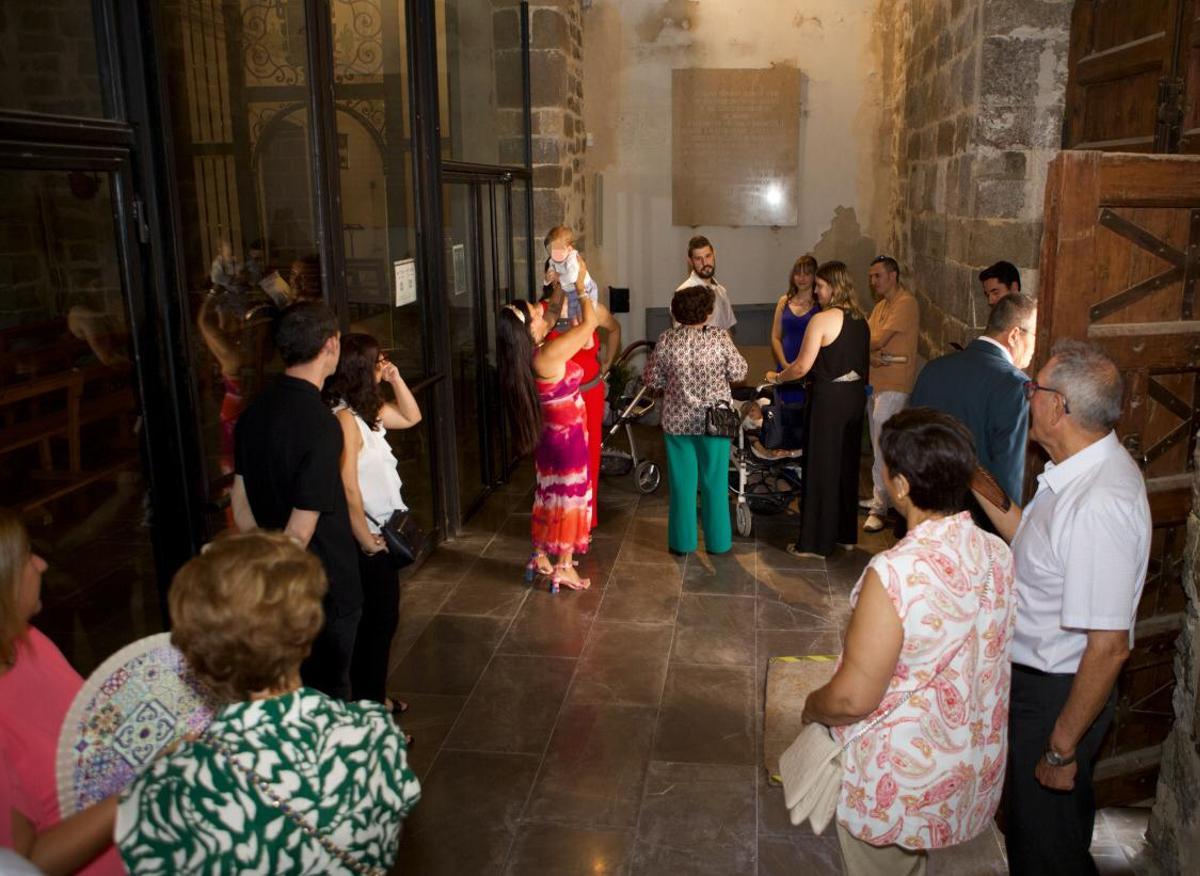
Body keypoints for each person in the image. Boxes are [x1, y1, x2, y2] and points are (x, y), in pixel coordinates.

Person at [115, 531, 420, 873]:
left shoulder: (167, 791)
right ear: (306, 638)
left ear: (196, 660)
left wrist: (167, 768)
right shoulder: (376, 736)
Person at [802, 409, 1016, 876]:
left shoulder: (895, 574)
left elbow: (854, 697)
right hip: (961, 763)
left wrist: (813, 708)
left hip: (899, 775)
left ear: (899, 485)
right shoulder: (996, 552)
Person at [972, 339, 1150, 875]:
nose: (1028, 398)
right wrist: (971, 472)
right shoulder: (1072, 474)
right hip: (1039, 687)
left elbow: (1110, 648)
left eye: (1034, 388)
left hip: (1060, 695)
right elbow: (1029, 534)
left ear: (1058, 405)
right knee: (1033, 832)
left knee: (1047, 851)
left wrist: (1060, 748)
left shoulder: (1101, 501)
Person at [231, 301, 362, 700]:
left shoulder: (253, 412)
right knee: (330, 695)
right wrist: (281, 585)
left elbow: (240, 501)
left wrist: (264, 569)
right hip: (319, 586)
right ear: (331, 345)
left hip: (278, 579)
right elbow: (301, 531)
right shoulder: (320, 425)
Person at [0, 508, 124, 875]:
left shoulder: (27, 642)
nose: (41, 565)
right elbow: (25, 864)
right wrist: (141, 789)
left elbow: (91, 724)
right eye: (26, 559)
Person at [323, 333, 422, 709]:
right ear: (361, 369)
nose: (383, 364)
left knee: (382, 623)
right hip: (367, 538)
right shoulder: (345, 419)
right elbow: (347, 486)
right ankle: (370, 707)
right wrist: (365, 538)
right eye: (378, 360)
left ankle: (374, 696)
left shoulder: (368, 410)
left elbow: (412, 416)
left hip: (381, 531)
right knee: (377, 625)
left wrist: (395, 378)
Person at [767, 261, 870, 558]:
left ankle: (815, 543)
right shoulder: (860, 319)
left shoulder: (823, 320)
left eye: (820, 286)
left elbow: (801, 366)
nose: (816, 291)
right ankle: (844, 534)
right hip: (853, 400)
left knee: (821, 468)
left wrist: (777, 377)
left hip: (829, 400)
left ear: (834, 287)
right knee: (846, 468)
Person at [497, 290, 599, 591]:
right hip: (567, 440)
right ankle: (564, 567)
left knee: (548, 493)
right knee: (571, 498)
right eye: (535, 312)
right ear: (529, 328)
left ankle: (540, 555)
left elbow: (553, 311)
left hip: (547, 438)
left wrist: (557, 284)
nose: (541, 311)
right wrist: (582, 287)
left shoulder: (523, 354)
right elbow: (590, 323)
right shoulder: (548, 354)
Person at [910, 292, 1037, 525]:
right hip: (978, 526)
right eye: (1035, 335)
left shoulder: (933, 369)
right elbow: (1008, 477)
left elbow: (910, 444)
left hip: (924, 514)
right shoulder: (1014, 386)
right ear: (1015, 335)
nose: (1034, 347)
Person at [644, 285, 748, 556]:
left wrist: (672, 380)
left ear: (677, 312)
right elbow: (739, 372)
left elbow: (652, 379)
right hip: (715, 423)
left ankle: (682, 543)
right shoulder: (719, 338)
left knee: (682, 486)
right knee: (714, 484)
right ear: (709, 311)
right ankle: (719, 543)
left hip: (677, 423)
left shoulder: (666, 339)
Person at [542, 265, 622, 533]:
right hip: (559, 401)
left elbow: (614, 329)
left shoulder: (592, 310)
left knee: (589, 458)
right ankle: (559, 523)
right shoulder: (544, 314)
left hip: (590, 393)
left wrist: (607, 362)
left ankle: (586, 521)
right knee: (559, 462)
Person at [863, 255, 920, 534]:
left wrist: (870, 348)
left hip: (895, 385)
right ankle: (880, 497)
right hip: (878, 382)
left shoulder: (905, 303)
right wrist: (872, 355)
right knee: (877, 444)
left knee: (884, 446)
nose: (873, 282)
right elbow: (871, 342)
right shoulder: (881, 306)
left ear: (893, 275)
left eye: (877, 276)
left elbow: (874, 339)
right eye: (871, 277)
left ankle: (882, 507)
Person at [770, 255, 820, 407]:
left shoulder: (821, 304)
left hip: (811, 366)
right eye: (798, 273)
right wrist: (784, 363)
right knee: (784, 415)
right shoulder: (784, 301)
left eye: (807, 274)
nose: (802, 278)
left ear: (814, 276)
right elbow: (775, 337)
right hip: (785, 363)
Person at [676, 235, 737, 332]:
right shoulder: (683, 294)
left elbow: (728, 331)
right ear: (690, 261)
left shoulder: (721, 291)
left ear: (714, 255)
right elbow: (681, 336)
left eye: (708, 256)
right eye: (698, 259)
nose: (705, 263)